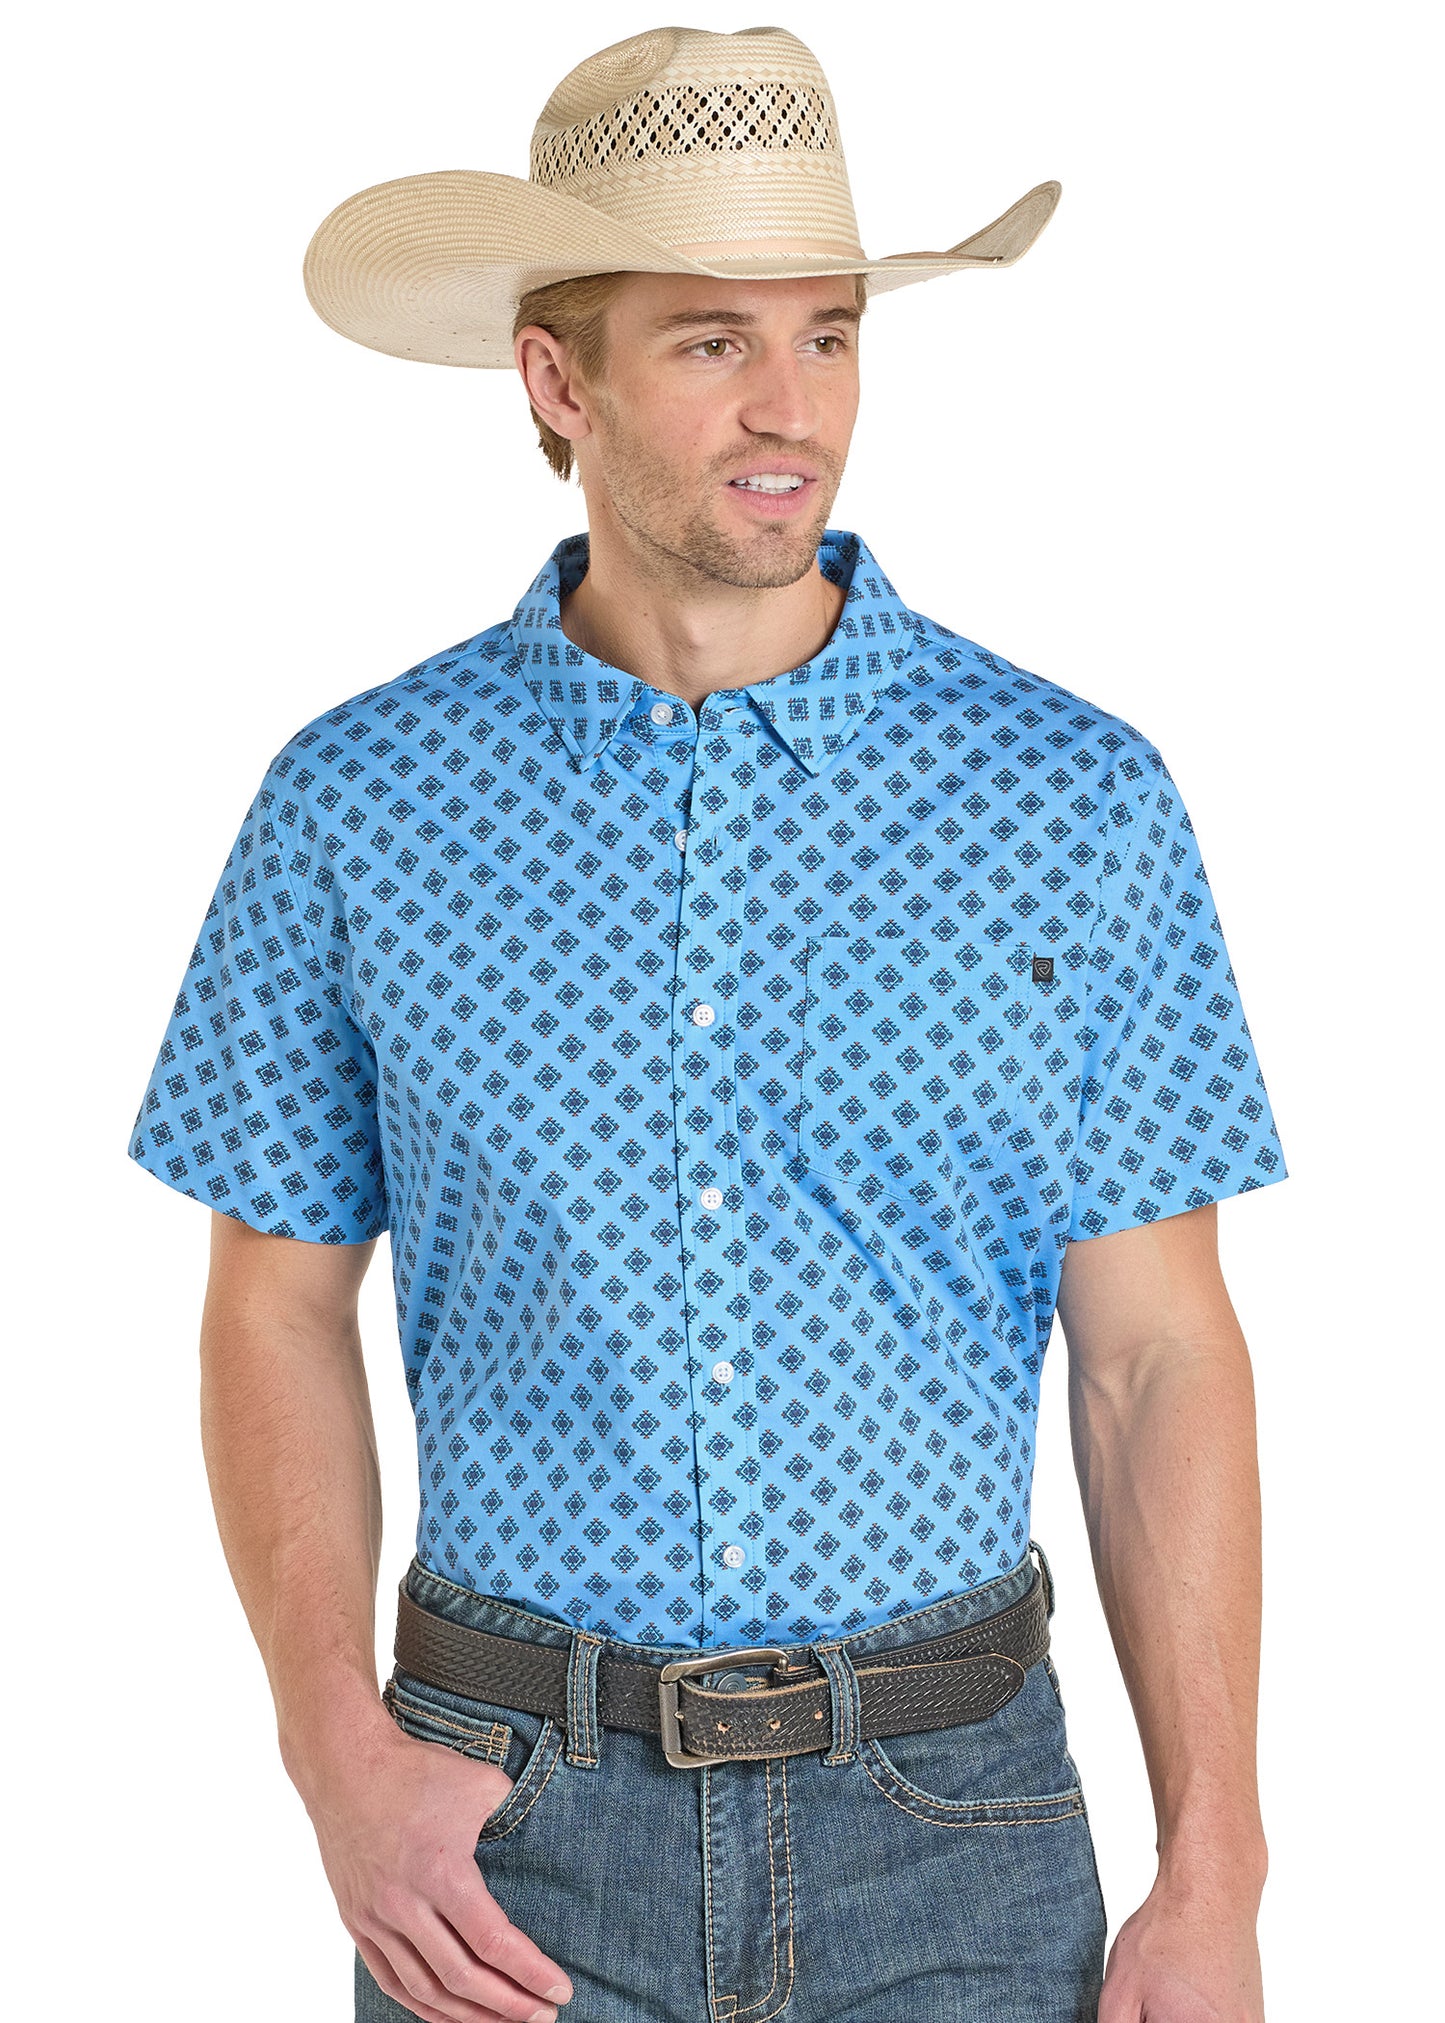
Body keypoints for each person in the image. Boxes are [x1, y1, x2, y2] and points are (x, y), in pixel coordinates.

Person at [126, 24, 1288, 2023]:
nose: (792, 409)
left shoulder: (1076, 802)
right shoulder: (356, 805)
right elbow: (272, 1304)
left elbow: (1156, 1360)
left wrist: (1217, 1871)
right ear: (555, 378)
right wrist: (331, 1747)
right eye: (709, 341)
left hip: (958, 1839)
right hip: (505, 1836)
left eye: (828, 335)